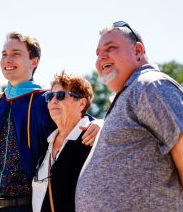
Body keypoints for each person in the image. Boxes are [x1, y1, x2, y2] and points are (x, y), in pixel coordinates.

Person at [0, 32, 100, 212]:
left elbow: (79, 120)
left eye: (16, 54)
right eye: (4, 54)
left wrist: (100, 124)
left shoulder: (46, 100)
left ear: (34, 61)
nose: (8, 59)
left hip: (27, 205)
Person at [75, 21, 183, 212]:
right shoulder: (129, 93)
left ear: (138, 50)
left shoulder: (149, 85)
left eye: (111, 48)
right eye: (98, 53)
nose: (102, 57)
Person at [32, 71, 94, 212]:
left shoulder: (92, 141)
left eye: (61, 95)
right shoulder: (46, 142)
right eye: (49, 96)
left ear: (81, 103)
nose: (53, 100)